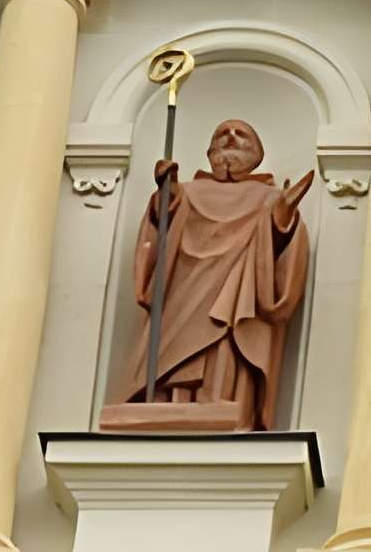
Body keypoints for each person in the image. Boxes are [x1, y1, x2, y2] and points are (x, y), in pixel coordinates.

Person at [114, 117, 313, 432]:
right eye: (223, 133)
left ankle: (223, 403)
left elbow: (281, 258)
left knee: (225, 345)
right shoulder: (187, 192)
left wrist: (282, 217)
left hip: (235, 293)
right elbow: (157, 235)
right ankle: (166, 406)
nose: (231, 138)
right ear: (210, 149)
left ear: (257, 152)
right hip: (183, 294)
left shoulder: (269, 199)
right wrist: (163, 198)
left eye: (241, 134)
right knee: (171, 351)